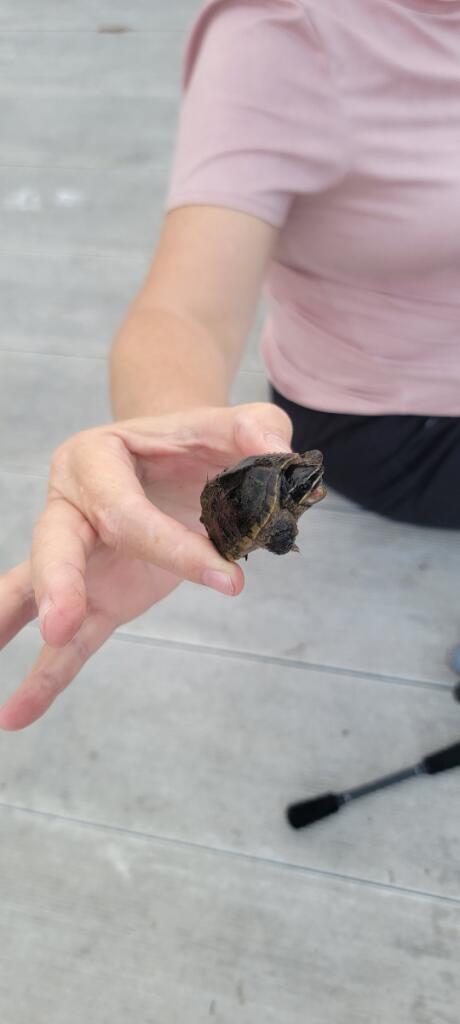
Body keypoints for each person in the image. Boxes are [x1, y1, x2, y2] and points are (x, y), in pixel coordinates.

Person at [1, 0, 459, 730]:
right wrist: (166, 444)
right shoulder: (284, 33)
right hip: (398, 417)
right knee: (293, 480)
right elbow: (185, 310)